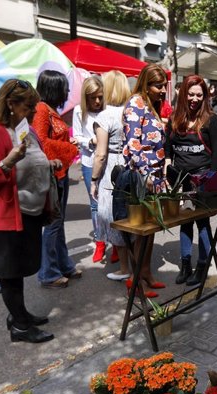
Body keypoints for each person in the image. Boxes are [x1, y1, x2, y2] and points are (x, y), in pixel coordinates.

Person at [0, 79, 62, 343]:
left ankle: (18, 314)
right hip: (5, 217)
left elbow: (33, 162)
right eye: (29, 106)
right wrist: (6, 161)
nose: (35, 112)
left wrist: (49, 165)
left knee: (21, 269)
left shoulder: (25, 130)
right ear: (11, 104)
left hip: (28, 213)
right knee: (10, 274)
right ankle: (21, 328)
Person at [166, 75, 217, 286]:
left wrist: (211, 182)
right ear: (183, 94)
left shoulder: (211, 119)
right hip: (181, 181)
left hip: (202, 181)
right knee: (185, 223)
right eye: (191, 94)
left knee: (203, 223)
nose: (195, 99)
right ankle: (185, 265)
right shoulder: (174, 119)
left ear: (205, 96)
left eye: (199, 95)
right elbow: (168, 147)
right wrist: (168, 170)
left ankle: (201, 266)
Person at [121, 65, 170, 297]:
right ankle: (135, 280)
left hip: (155, 176)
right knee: (141, 232)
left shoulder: (151, 104)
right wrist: (146, 174)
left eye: (163, 85)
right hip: (143, 178)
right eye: (158, 86)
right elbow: (133, 145)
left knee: (151, 230)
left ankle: (146, 273)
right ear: (146, 84)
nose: (162, 90)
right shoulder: (135, 104)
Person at [32, 70, 81, 288]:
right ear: (54, 89)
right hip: (52, 174)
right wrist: (69, 147)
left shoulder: (50, 110)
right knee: (53, 225)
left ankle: (64, 264)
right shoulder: (42, 110)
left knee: (58, 223)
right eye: (64, 88)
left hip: (60, 173)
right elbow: (40, 142)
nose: (67, 92)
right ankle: (48, 273)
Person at [89, 71, 132, 282]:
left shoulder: (104, 117)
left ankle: (124, 268)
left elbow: (101, 153)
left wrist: (94, 180)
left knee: (115, 216)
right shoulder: (131, 112)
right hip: (131, 167)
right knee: (131, 216)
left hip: (113, 170)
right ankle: (136, 265)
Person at [72, 75, 111, 263]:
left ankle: (115, 240)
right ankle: (100, 241)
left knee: (112, 202)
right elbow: (77, 136)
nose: (97, 101)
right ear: (85, 97)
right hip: (89, 162)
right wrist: (91, 141)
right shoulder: (79, 112)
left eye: (100, 97)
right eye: (93, 97)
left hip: (108, 162)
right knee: (95, 204)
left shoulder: (108, 111)